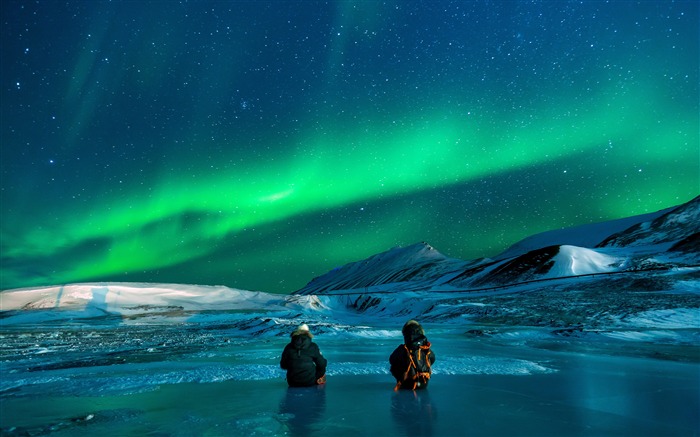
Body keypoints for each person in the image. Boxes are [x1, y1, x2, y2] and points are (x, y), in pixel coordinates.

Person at [390, 320, 435, 390]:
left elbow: (392, 360)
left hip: (407, 384)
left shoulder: (403, 349)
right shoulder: (426, 348)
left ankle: (403, 381)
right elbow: (432, 359)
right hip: (423, 384)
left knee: (394, 366)